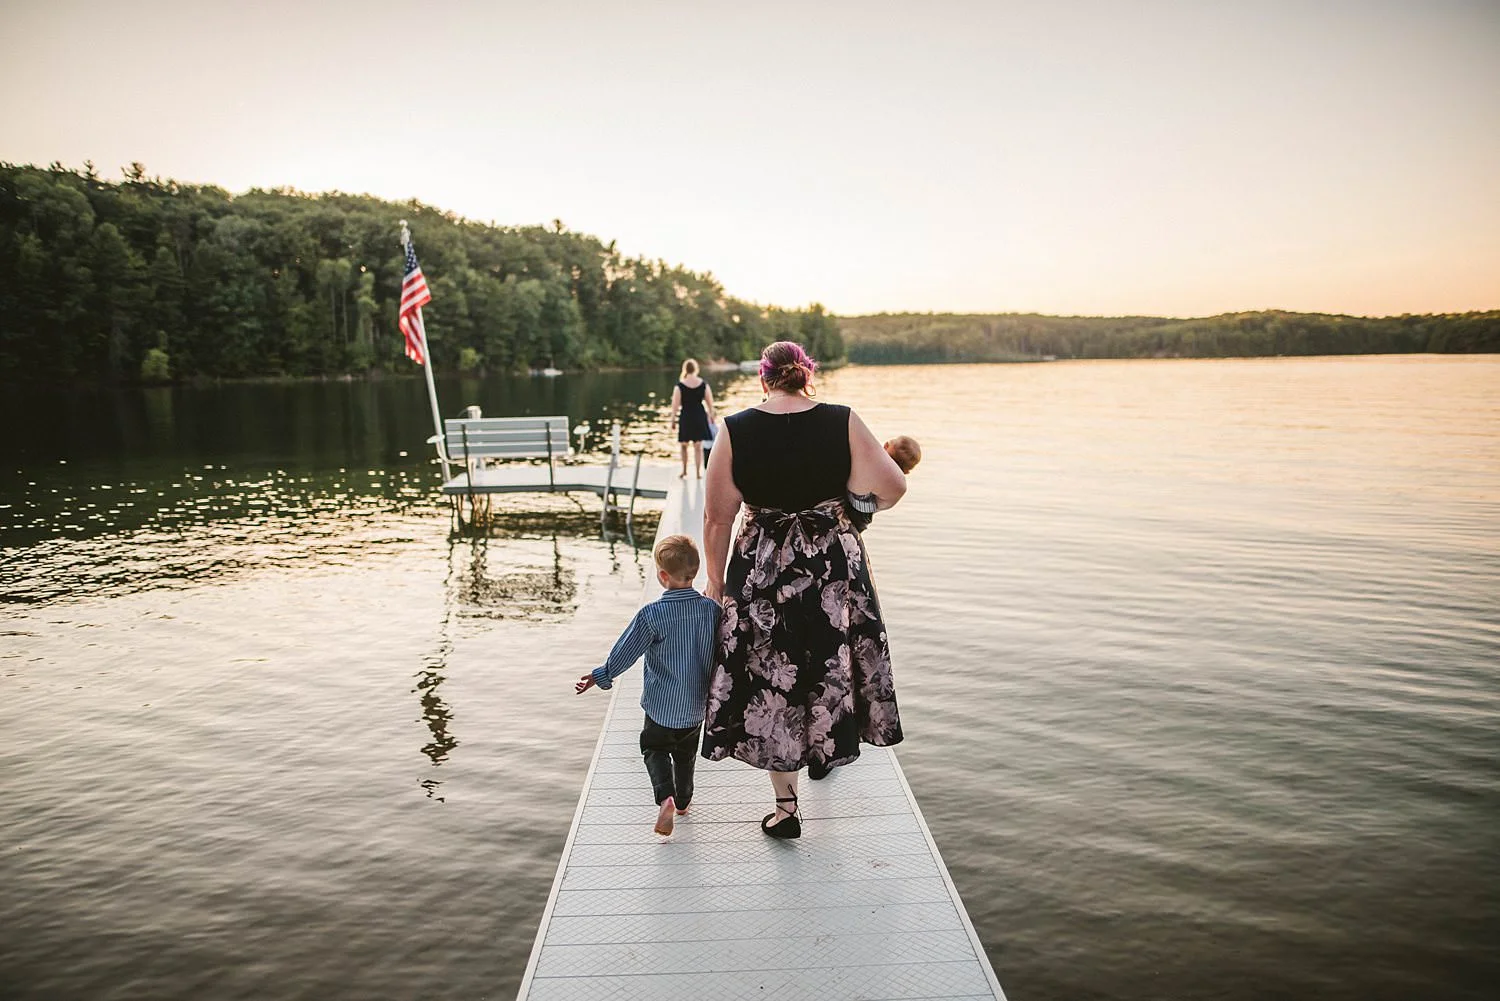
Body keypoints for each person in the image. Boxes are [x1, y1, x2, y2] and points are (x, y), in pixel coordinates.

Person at [700, 341, 908, 839]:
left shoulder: (734, 428)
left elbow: (717, 516)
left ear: (762, 379)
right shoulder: (842, 419)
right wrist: (853, 501)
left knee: (774, 678)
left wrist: (714, 580)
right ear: (807, 374)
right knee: (829, 660)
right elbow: (894, 486)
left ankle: (787, 810)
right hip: (832, 563)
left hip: (762, 567)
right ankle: (823, 755)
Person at [576, 535, 721, 836]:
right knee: (685, 755)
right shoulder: (712, 610)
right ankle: (682, 802)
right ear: (695, 572)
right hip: (696, 706)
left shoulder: (651, 615)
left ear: (662, 575)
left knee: (653, 748)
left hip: (661, 706)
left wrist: (601, 675)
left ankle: (664, 795)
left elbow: (626, 652)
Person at [848, 434, 921, 531]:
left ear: (886, 446)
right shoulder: (895, 485)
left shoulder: (872, 465)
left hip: (850, 503)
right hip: (862, 519)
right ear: (906, 472)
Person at [670, 359, 716, 479]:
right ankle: (697, 473)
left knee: (684, 445)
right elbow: (710, 404)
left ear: (685, 369)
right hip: (699, 415)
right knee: (698, 446)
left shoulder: (680, 386)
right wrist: (711, 416)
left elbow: (675, 406)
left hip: (686, 415)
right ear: (696, 369)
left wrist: (673, 420)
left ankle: (684, 471)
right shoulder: (703, 384)